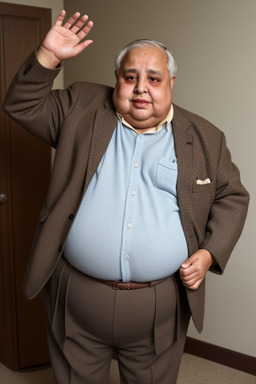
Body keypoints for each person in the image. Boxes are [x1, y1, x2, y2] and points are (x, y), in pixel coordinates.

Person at [3, 10, 249, 384]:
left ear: (171, 83)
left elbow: (232, 195)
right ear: (116, 80)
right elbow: (21, 104)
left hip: (160, 303)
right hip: (77, 293)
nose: (141, 88)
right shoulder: (79, 106)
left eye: (154, 78)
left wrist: (210, 251)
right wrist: (48, 55)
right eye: (130, 77)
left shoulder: (205, 137)